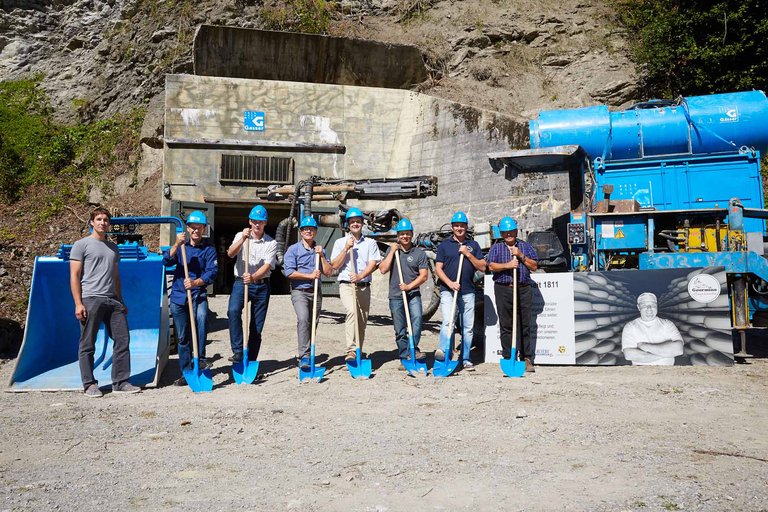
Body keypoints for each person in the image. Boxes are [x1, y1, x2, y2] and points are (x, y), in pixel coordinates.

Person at [69, 207, 140, 397]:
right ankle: (89, 384)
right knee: (88, 343)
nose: (103, 223)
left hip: (113, 301)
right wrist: (78, 303)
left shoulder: (113, 247)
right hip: (91, 299)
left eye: (106, 220)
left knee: (123, 340)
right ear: (92, 222)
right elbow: (74, 275)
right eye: (99, 219)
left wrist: (121, 300)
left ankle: (121, 382)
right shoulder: (81, 245)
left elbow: (115, 276)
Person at [162, 211, 218, 386]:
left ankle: (200, 360)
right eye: (193, 227)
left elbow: (212, 272)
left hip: (197, 294)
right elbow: (166, 261)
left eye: (199, 227)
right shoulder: (181, 247)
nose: (195, 231)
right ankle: (186, 372)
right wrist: (176, 244)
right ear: (188, 228)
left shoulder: (209, 249)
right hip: (179, 296)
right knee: (182, 336)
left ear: (203, 229)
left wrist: (195, 282)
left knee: (202, 318)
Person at [434, 211, 486, 371]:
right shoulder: (444, 245)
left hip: (468, 291)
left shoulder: (473, 245)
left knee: (468, 327)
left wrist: (468, 254)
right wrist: (450, 283)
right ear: (452, 227)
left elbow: (483, 267)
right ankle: (444, 352)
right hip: (448, 291)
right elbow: (438, 269)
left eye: (462, 225)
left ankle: (466, 358)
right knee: (448, 322)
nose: (459, 228)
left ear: (466, 227)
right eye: (456, 225)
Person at [487, 216, 539, 372]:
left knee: (525, 325)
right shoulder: (496, 248)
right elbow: (491, 266)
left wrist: (521, 255)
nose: (508, 234)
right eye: (505, 232)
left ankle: (526, 358)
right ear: (501, 234)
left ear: (516, 231)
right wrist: (508, 265)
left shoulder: (525, 246)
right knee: (506, 325)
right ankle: (508, 356)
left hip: (523, 288)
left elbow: (534, 266)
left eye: (511, 231)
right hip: (503, 289)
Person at [330, 207, 382, 361]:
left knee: (362, 320)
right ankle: (351, 350)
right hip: (346, 285)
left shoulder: (370, 243)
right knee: (352, 312)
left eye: (358, 221)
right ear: (348, 224)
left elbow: (373, 264)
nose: (355, 224)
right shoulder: (340, 242)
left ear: (362, 223)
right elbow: (335, 265)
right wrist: (346, 248)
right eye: (352, 222)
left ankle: (359, 349)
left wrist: (360, 276)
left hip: (364, 285)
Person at [227, 205, 277, 364]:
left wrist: (253, 277)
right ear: (250, 221)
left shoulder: (271, 242)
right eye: (254, 221)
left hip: (261, 286)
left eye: (260, 221)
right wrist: (242, 239)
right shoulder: (240, 236)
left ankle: (251, 360)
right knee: (233, 311)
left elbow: (267, 266)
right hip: (241, 283)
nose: (257, 224)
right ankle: (238, 352)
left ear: (265, 223)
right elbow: (230, 253)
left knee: (256, 326)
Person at [283, 216, 333, 369]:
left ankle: (309, 352)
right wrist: (310, 276)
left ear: (315, 232)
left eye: (311, 229)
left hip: (316, 291)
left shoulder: (320, 250)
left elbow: (328, 272)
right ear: (301, 232)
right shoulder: (293, 250)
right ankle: (304, 356)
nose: (308, 231)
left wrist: (322, 256)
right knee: (303, 319)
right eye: (305, 229)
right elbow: (289, 272)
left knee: (313, 323)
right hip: (299, 291)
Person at [379, 218, 429, 369]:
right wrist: (392, 251)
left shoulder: (419, 253)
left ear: (412, 234)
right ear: (398, 235)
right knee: (400, 329)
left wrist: (409, 286)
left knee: (417, 320)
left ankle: (413, 350)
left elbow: (424, 276)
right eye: (402, 234)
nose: (405, 236)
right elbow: (383, 269)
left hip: (413, 293)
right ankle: (404, 356)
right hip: (396, 295)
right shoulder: (392, 251)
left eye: (407, 234)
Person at [621, 292, 684, 365]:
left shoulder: (667, 324)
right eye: (644, 306)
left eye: (653, 305)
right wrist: (666, 353)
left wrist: (645, 346)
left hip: (667, 370)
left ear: (657, 306)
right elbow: (629, 355)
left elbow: (679, 350)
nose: (649, 309)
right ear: (638, 307)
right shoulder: (630, 327)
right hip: (641, 371)